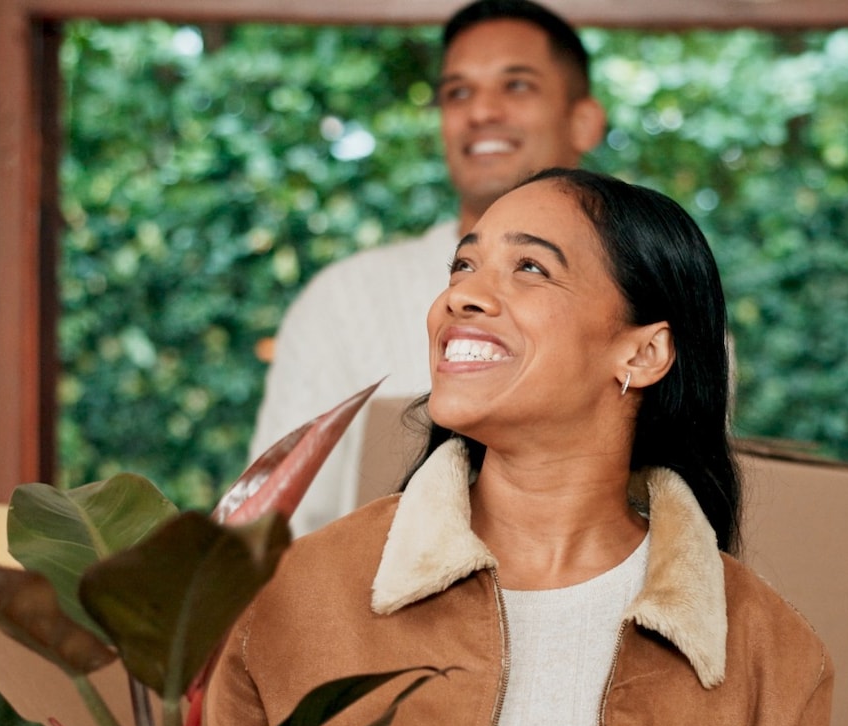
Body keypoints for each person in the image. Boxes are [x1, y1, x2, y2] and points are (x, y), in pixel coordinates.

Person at [90, 168, 839, 726]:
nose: (464, 298)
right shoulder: (300, 595)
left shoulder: (763, 652)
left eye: (530, 269)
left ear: (642, 352)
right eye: (462, 266)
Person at [249, 0, 606, 536]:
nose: (481, 111)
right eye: (458, 92)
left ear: (583, 120)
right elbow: (273, 526)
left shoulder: (654, 300)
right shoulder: (343, 298)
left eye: (516, 86)